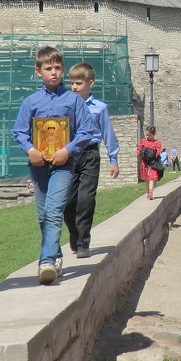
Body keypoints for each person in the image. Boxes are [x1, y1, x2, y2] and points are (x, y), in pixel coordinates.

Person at [12, 46, 98, 285]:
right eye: (48, 68)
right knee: (42, 215)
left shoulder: (73, 100)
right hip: (39, 165)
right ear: (38, 71)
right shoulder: (31, 102)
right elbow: (19, 131)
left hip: (64, 165)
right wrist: (30, 150)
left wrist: (67, 150)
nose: (54, 73)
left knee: (54, 211)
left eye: (58, 68)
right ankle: (57, 257)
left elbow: (85, 131)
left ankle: (46, 261)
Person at [64, 62, 120, 259]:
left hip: (90, 154)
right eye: (72, 83)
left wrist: (114, 159)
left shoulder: (99, 108)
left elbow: (108, 134)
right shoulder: (66, 105)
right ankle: (74, 234)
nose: (74, 87)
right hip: (69, 155)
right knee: (68, 203)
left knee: (86, 200)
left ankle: (83, 242)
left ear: (90, 83)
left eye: (78, 83)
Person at [136, 126, 163, 201]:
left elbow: (158, 151)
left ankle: (151, 192)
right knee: (146, 178)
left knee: (152, 176)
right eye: (146, 135)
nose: (147, 136)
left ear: (153, 134)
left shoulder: (157, 143)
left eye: (149, 135)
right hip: (145, 162)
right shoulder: (143, 141)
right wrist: (141, 152)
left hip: (153, 163)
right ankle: (148, 191)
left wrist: (155, 154)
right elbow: (138, 150)